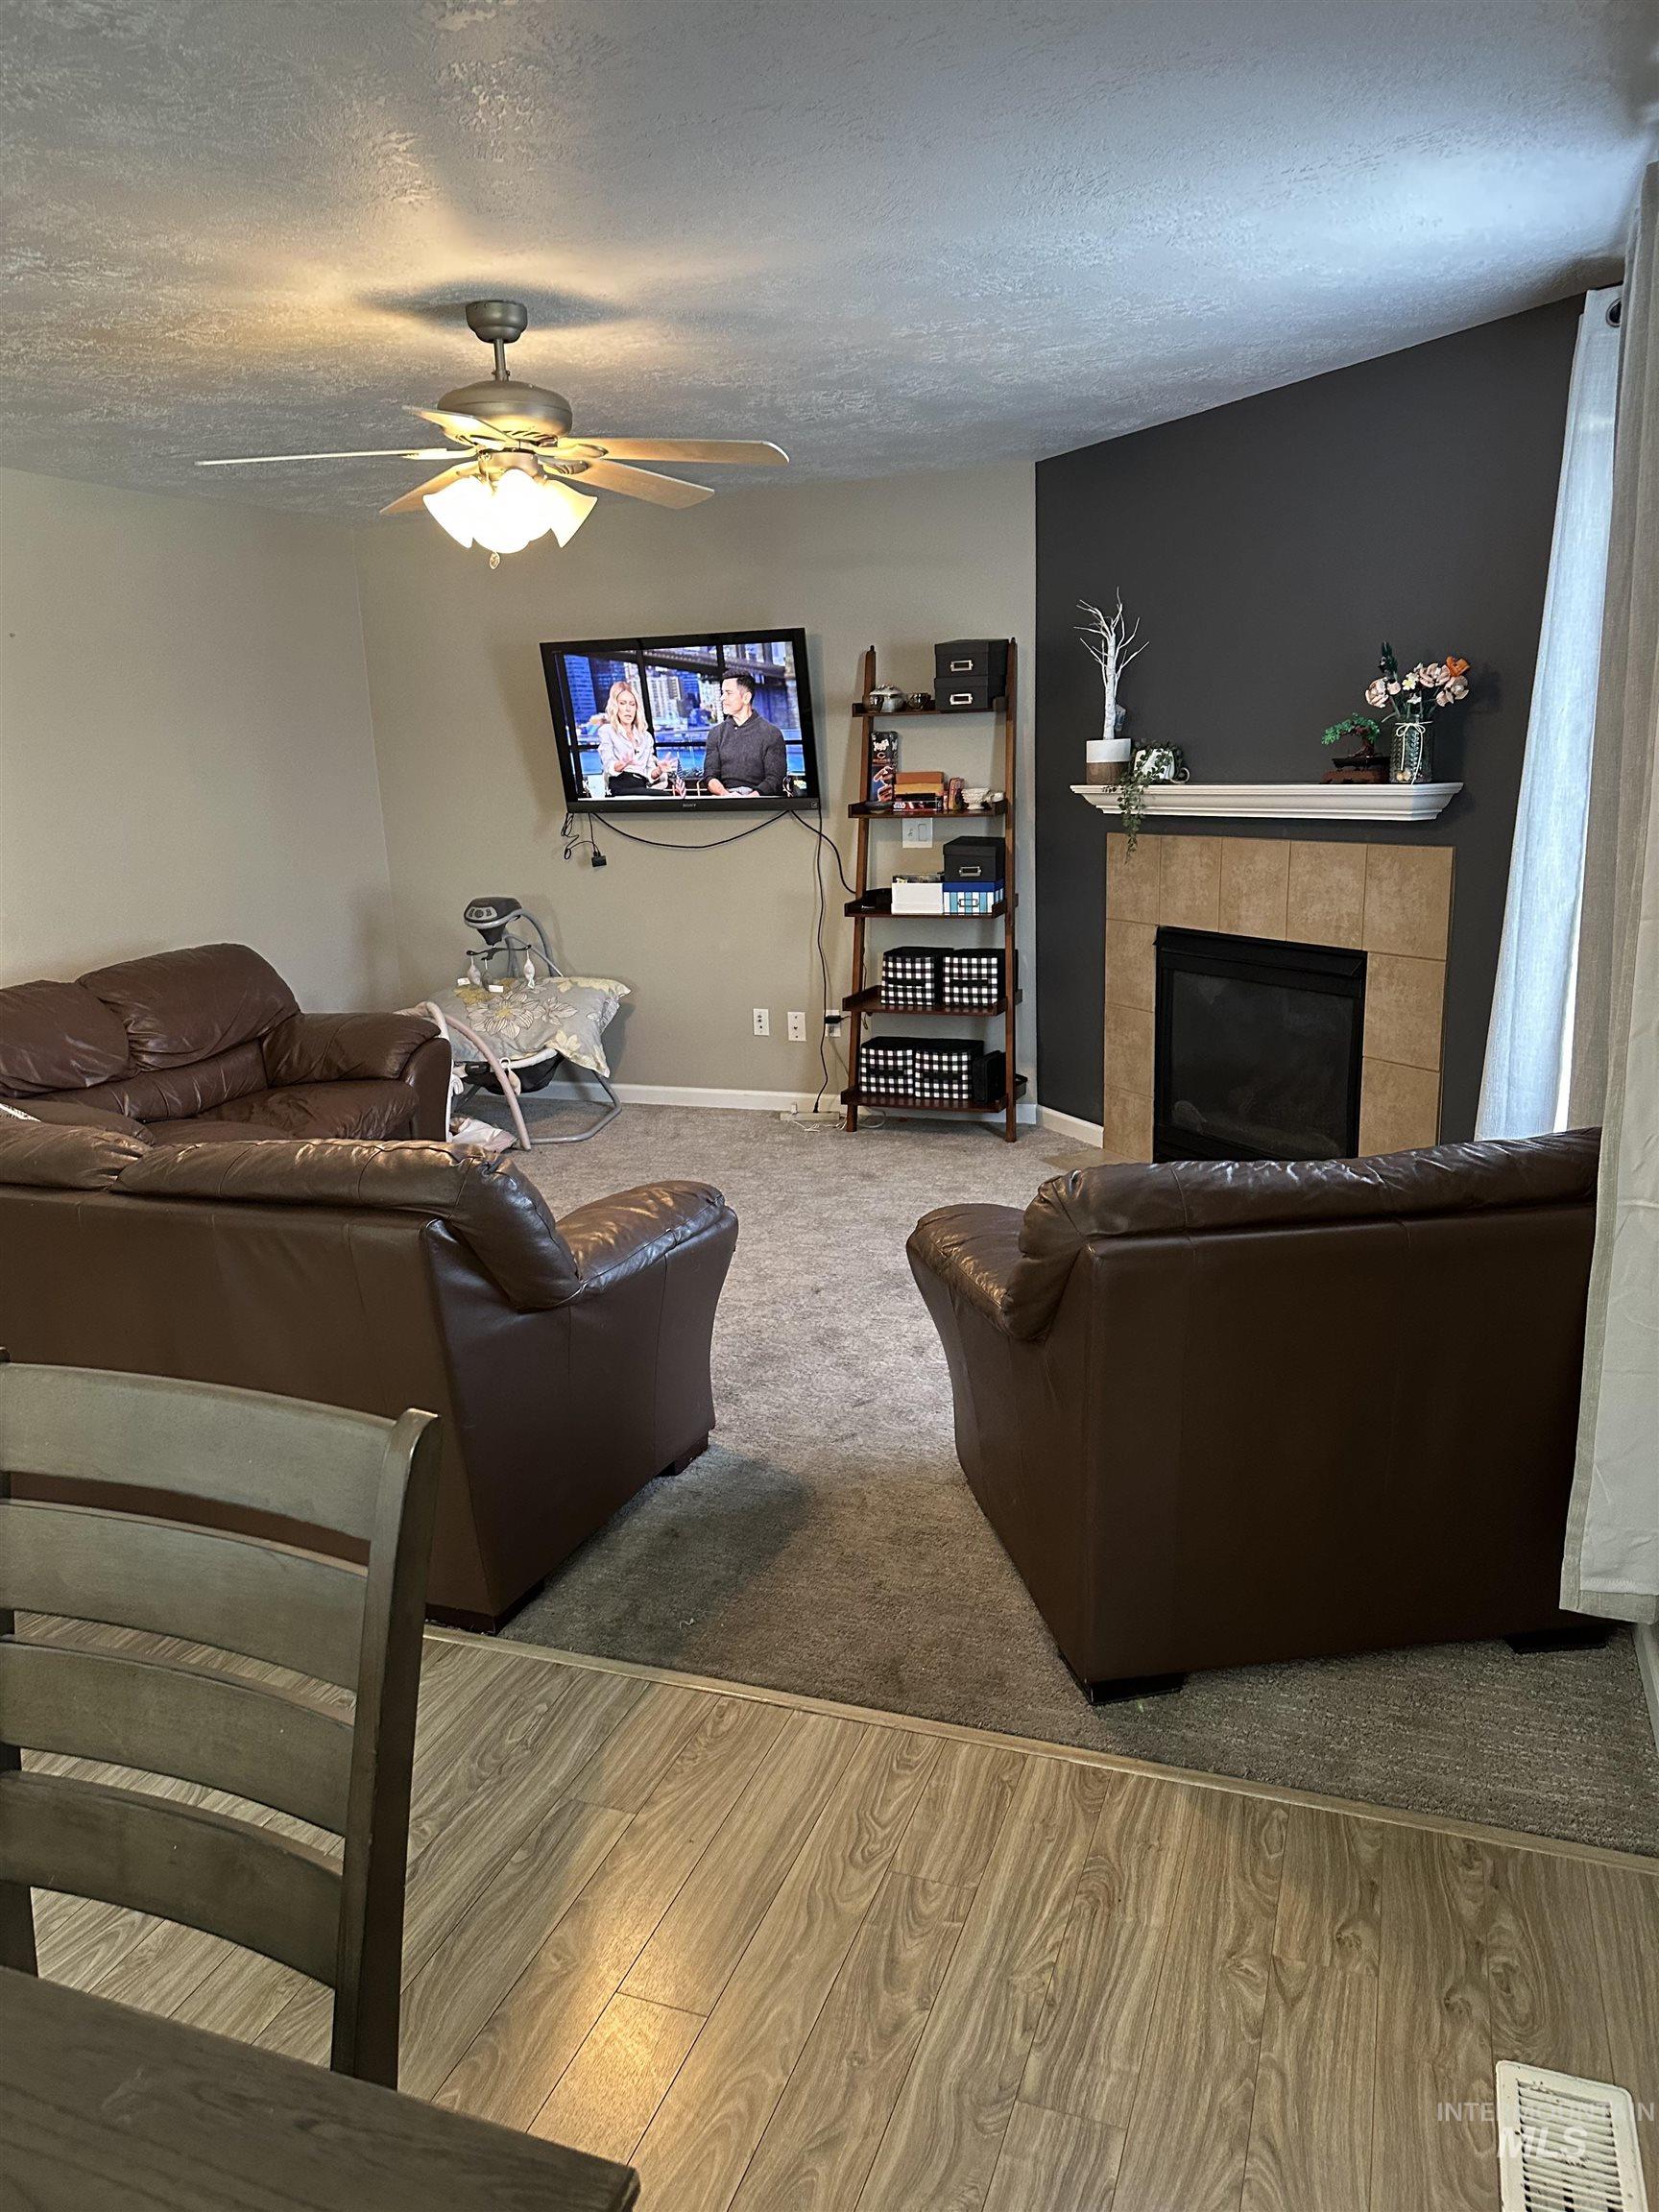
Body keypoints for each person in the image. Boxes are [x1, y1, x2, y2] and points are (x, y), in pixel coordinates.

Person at [701, 671, 788, 795]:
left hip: (760, 801)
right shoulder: (715, 733)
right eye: (722, 693)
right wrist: (727, 796)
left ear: (746, 697)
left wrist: (749, 799)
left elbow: (775, 779)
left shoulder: (772, 734)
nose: (722, 698)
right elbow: (710, 775)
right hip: (725, 799)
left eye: (728, 693)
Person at [595, 679, 665, 794]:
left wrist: (659, 770)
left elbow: (650, 773)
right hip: (620, 784)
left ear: (636, 708)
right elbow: (608, 765)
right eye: (622, 703)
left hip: (641, 786)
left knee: (664, 798)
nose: (628, 709)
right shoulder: (607, 731)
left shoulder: (646, 737)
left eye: (632, 704)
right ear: (615, 707)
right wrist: (622, 764)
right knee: (664, 797)